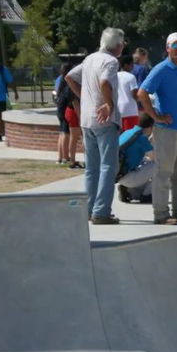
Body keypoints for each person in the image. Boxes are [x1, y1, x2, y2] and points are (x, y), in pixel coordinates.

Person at [138, 31, 177, 225]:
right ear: (168, 48)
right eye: (175, 46)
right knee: (164, 172)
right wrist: (156, 116)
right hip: (167, 130)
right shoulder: (161, 69)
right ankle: (161, 214)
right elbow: (142, 93)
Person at [65, 28, 125, 225]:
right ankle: (101, 212)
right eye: (122, 44)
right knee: (108, 166)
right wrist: (109, 104)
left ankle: (90, 209)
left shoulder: (90, 59)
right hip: (105, 121)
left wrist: (85, 98)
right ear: (118, 45)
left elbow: (69, 77)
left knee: (92, 168)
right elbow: (105, 81)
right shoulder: (111, 61)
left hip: (86, 120)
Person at [117, 115, 156, 204]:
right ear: (150, 127)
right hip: (129, 176)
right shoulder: (141, 137)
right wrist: (153, 140)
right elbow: (155, 158)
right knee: (159, 166)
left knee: (146, 161)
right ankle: (147, 195)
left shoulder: (127, 132)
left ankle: (128, 191)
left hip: (119, 175)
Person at [53, 60, 78, 167]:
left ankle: (61, 157)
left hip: (60, 107)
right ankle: (65, 157)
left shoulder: (59, 79)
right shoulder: (68, 80)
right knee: (66, 133)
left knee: (62, 132)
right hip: (65, 109)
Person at [117, 53, 141, 132]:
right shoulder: (131, 77)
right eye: (132, 64)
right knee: (130, 136)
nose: (133, 67)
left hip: (117, 110)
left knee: (119, 137)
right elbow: (135, 95)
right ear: (126, 65)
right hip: (130, 111)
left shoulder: (114, 76)